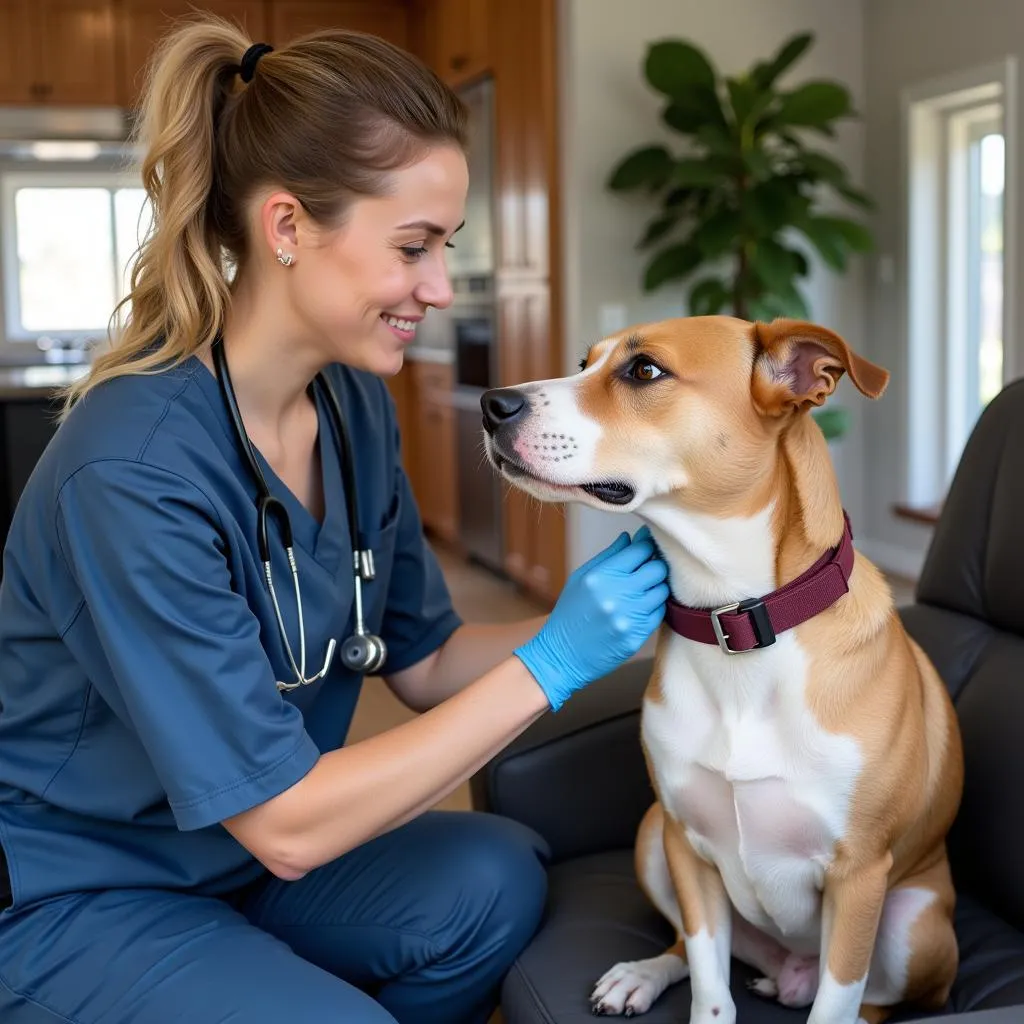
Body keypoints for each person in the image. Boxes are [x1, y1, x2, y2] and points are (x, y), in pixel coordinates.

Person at [0, 16, 670, 1024]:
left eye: (444, 246)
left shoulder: (351, 405)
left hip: (239, 862)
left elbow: (423, 657)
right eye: (414, 247)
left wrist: (635, 625)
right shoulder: (131, 470)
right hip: (84, 891)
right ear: (286, 228)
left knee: (495, 876)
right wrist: (554, 664)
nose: (438, 287)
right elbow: (289, 824)